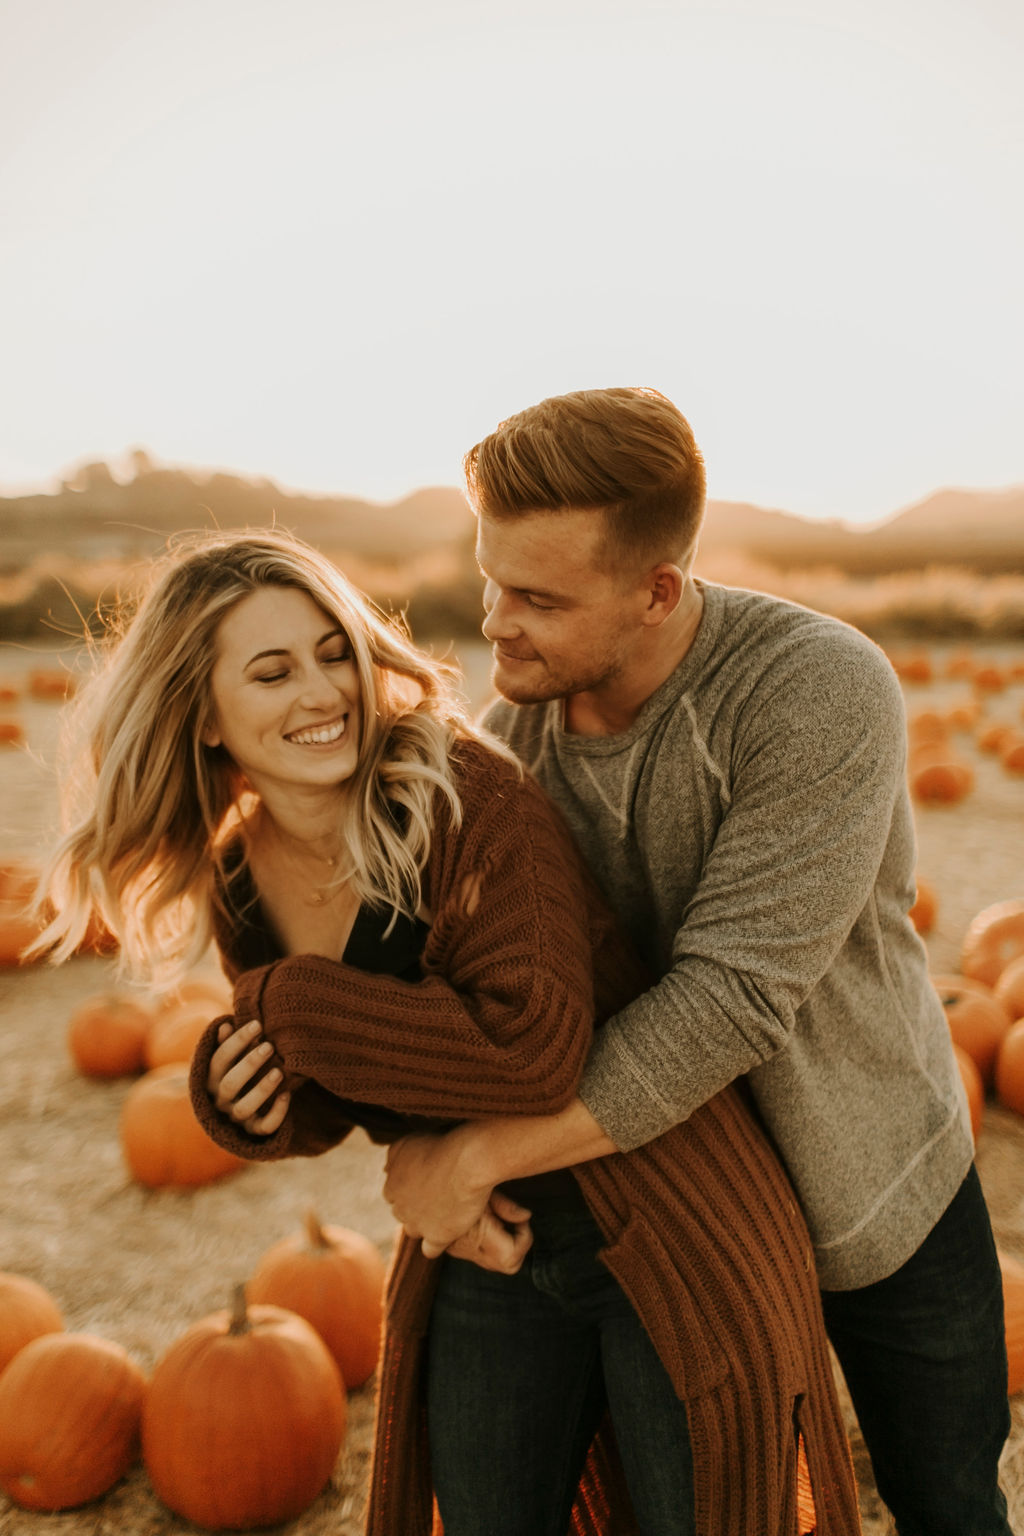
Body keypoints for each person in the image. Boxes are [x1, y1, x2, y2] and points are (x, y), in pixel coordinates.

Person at [35, 527, 861, 1536]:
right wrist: (251, 1104)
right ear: (204, 717)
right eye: (271, 671)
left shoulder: (463, 795)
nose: (323, 691)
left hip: (666, 1206)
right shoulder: (241, 879)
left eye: (333, 650)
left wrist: (291, 1010)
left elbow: (531, 1049)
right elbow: (350, 1086)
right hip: (486, 1239)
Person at [380, 387, 1013, 1536]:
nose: (493, 625)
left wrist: (476, 1157)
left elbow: (726, 1003)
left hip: (869, 1181)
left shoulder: (813, 689)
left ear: (658, 590)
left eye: (535, 598)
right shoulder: (515, 732)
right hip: (679, 1214)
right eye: (489, 581)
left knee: (950, 1503)